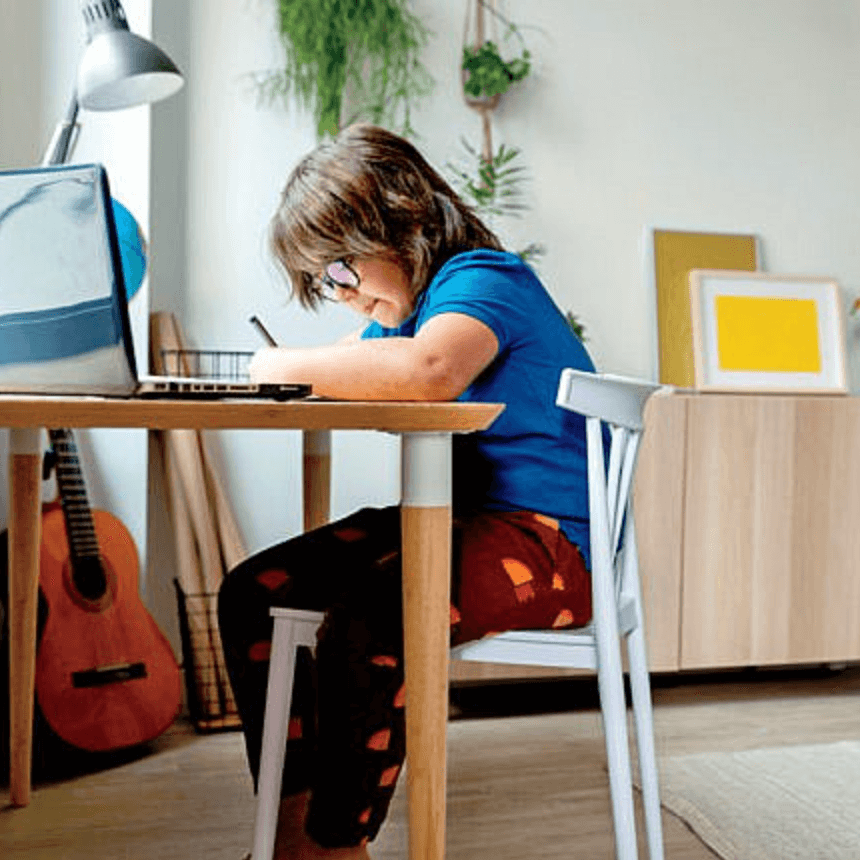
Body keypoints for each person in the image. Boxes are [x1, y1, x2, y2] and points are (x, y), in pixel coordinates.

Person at [218, 124, 598, 860]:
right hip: (464, 522)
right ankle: (293, 832)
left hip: (552, 545)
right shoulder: (417, 309)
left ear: (402, 219)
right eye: (327, 281)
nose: (342, 294)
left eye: (340, 267)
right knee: (252, 592)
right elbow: (352, 361)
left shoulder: (485, 278)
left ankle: (335, 845)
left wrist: (273, 364)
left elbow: (427, 373)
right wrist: (307, 361)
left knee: (374, 617)